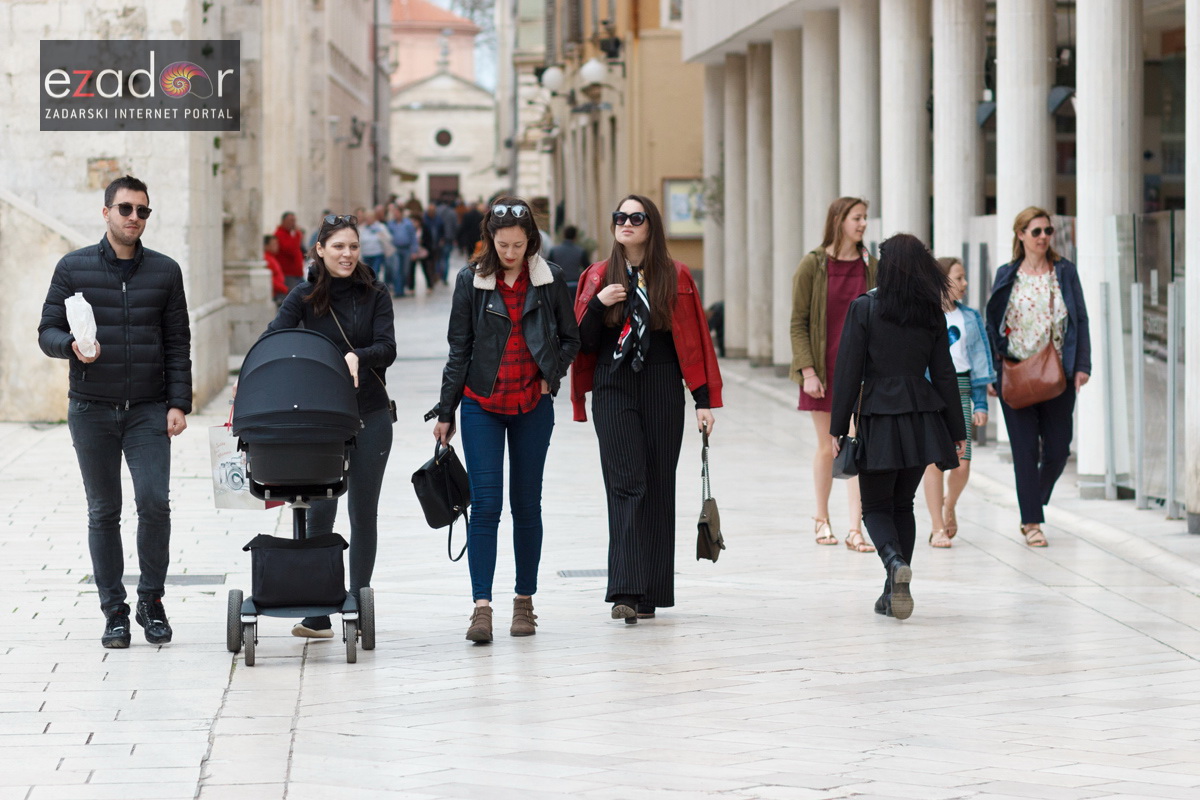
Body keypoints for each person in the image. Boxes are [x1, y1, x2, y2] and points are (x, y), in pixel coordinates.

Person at [38, 175, 192, 648]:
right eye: (125, 209)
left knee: (155, 504)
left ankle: (151, 600)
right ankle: (115, 611)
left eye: (143, 211)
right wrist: (71, 346)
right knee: (104, 511)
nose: (134, 218)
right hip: (91, 409)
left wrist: (178, 403)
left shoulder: (165, 272)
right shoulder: (73, 268)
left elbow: (177, 342)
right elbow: (46, 331)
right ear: (106, 212)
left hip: (147, 410)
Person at [430, 196, 580, 643]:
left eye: (517, 245)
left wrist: (549, 378)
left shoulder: (549, 278)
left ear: (530, 241)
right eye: (502, 245)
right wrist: (445, 410)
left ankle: (524, 602)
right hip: (482, 405)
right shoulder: (469, 281)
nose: (510, 253)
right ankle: (481, 608)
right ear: (490, 240)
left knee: (526, 506)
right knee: (486, 507)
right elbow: (459, 349)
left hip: (533, 406)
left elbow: (569, 339)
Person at [572, 195, 723, 624]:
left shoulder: (674, 276)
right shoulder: (598, 275)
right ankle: (624, 589)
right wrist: (599, 303)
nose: (626, 224)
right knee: (626, 483)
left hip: (661, 382)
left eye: (635, 218)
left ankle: (651, 590)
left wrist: (703, 399)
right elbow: (580, 343)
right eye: (619, 217)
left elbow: (694, 341)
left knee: (658, 484)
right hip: (613, 384)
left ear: (651, 226)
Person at [263, 213, 397, 638]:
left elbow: (388, 347)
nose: (347, 254)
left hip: (370, 414)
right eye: (338, 246)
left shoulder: (375, 293)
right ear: (320, 250)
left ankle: (357, 604)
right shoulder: (302, 297)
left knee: (363, 512)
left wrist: (360, 355)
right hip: (320, 421)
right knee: (320, 511)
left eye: (353, 247)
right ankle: (318, 610)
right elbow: (273, 339)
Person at [829, 233, 966, 620]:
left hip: (879, 415)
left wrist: (838, 427)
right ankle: (893, 590)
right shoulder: (930, 313)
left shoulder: (865, 308)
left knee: (874, 505)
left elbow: (848, 372)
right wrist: (958, 430)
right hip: (923, 418)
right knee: (902, 503)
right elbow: (944, 373)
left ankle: (892, 563)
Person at [985, 207, 1091, 548]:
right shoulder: (1006, 273)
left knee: (1059, 450)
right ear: (1021, 235)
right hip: (1015, 372)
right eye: (1036, 231)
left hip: (1057, 374)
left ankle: (1033, 499)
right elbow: (992, 323)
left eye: (1048, 231)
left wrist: (1082, 366)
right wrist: (991, 369)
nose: (1044, 236)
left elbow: (1081, 320)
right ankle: (1031, 521)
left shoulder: (1065, 271)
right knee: (1025, 451)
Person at [790, 197, 878, 553]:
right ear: (839, 220)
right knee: (829, 445)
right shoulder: (812, 265)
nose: (863, 225)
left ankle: (856, 528)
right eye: (857, 218)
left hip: (862, 371)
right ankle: (821, 517)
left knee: (857, 445)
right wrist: (807, 371)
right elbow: (798, 321)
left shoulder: (871, 263)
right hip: (823, 371)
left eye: (865, 218)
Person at [921, 257, 995, 548]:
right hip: (931, 393)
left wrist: (981, 404)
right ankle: (937, 527)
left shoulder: (971, 317)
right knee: (932, 463)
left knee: (962, 464)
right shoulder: (924, 316)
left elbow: (980, 362)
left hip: (962, 392)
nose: (965, 284)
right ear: (942, 281)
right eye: (959, 278)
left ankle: (948, 504)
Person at [547, 225, 588, 296]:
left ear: (564, 235)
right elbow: (587, 268)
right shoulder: (580, 251)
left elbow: (548, 267)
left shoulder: (554, 251)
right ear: (575, 236)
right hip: (575, 285)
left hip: (559, 285)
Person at [386, 203, 416, 297]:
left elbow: (413, 237)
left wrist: (414, 251)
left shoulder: (408, 223)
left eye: (397, 212)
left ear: (401, 213)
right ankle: (398, 291)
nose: (395, 214)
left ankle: (402, 288)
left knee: (405, 271)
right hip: (395, 249)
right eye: (394, 212)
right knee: (396, 269)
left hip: (406, 249)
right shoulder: (390, 224)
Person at [274, 211, 305, 290]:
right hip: (288, 274)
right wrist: (297, 234)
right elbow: (290, 250)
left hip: (296, 273)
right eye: (291, 220)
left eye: (294, 221)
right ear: (283, 221)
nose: (293, 223)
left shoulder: (290, 234)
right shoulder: (279, 234)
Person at [263, 234, 288, 305]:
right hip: (275, 294)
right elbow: (270, 279)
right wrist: (284, 289)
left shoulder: (271, 257)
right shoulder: (267, 259)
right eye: (274, 244)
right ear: (266, 246)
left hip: (278, 292)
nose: (277, 246)